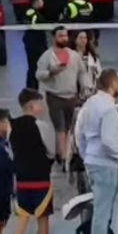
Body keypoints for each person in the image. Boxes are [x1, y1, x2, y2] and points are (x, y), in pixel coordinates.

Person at [78, 69, 118, 234]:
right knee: (105, 212)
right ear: (113, 84)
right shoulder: (108, 108)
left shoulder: (90, 103)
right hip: (106, 163)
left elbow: (80, 134)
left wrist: (85, 154)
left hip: (92, 160)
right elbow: (108, 140)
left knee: (99, 211)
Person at [36, 26, 93, 169]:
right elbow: (39, 74)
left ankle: (66, 155)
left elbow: (82, 73)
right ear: (54, 37)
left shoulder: (74, 56)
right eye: (60, 36)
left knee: (69, 129)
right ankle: (62, 157)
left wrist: (86, 87)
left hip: (71, 97)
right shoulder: (47, 56)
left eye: (65, 36)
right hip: (55, 97)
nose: (64, 38)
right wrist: (51, 72)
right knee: (60, 128)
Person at [10, 89, 55, 234]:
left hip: (22, 180)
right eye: (39, 103)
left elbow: (11, 152)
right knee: (43, 222)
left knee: (21, 223)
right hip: (41, 179)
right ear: (31, 105)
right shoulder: (41, 126)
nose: (42, 106)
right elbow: (51, 151)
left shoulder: (12, 127)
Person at [23, 0, 49, 90]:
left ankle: (37, 86)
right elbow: (31, 24)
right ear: (36, 2)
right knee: (33, 66)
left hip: (38, 42)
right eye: (41, 0)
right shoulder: (31, 12)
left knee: (38, 66)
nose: (43, 2)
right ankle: (31, 87)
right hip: (34, 43)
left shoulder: (37, 12)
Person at [72, 30, 102, 100]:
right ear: (75, 40)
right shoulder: (71, 55)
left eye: (85, 38)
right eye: (80, 37)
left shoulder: (92, 56)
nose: (83, 40)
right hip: (76, 92)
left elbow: (99, 73)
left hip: (92, 91)